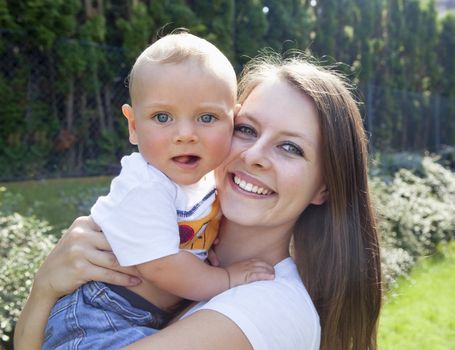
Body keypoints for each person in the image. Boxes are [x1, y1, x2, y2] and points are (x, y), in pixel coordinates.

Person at [15, 52, 382, 350]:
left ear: (324, 187)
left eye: (291, 147)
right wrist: (45, 287)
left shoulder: (268, 308)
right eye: (246, 129)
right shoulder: (186, 244)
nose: (254, 155)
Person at [40, 32, 275, 349]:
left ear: (232, 121)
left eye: (207, 117)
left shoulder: (208, 179)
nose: (185, 134)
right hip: (100, 315)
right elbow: (162, 265)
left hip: (140, 314)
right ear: (134, 126)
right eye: (162, 117)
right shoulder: (145, 186)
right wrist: (228, 279)